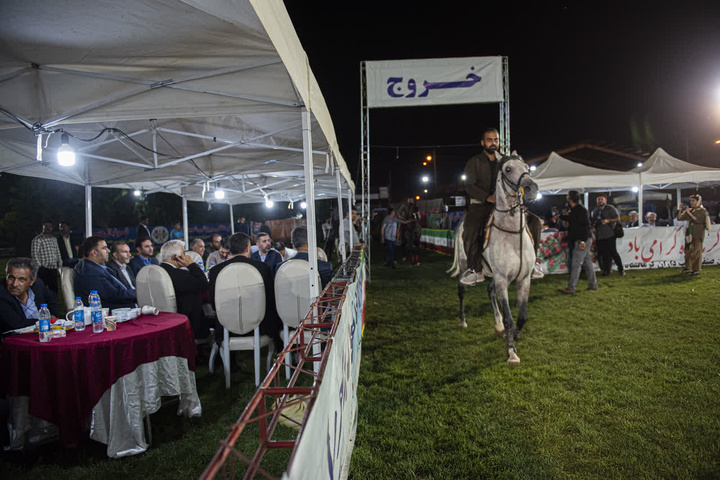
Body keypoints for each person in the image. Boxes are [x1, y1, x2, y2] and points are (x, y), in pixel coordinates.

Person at [460, 128, 543, 285]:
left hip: (508, 206)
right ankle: (475, 270)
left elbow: (516, 182)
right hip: (482, 205)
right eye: (490, 140)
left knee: (535, 223)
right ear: (483, 142)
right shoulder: (474, 161)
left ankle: (533, 264)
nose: (493, 143)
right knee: (469, 231)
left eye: (496, 140)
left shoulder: (507, 160)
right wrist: (487, 197)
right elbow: (469, 185)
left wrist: (520, 202)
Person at [208, 233, 282, 349]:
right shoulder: (262, 268)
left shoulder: (215, 271)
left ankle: (228, 362)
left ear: (230, 249)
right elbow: (270, 299)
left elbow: (213, 303)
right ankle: (281, 351)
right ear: (248, 247)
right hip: (260, 326)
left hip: (226, 328)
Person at [158, 240, 211, 339]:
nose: (186, 257)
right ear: (175, 257)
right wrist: (192, 265)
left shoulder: (159, 271)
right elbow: (204, 284)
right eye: (183, 254)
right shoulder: (181, 275)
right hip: (187, 325)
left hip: (162, 321)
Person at [74, 236, 137, 310]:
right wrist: (138, 293)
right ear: (94, 253)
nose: (108, 251)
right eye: (104, 248)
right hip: (113, 312)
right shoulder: (91, 272)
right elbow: (114, 295)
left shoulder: (97, 267)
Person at [1, 257, 59, 333]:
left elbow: (51, 297)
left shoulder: (38, 285)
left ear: (32, 281)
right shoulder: (2, 294)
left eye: (21, 279)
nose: (14, 284)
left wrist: (54, 316)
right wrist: (47, 321)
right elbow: (17, 325)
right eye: (11, 278)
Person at [557, 190, 598, 294]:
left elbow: (586, 226)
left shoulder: (580, 210)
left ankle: (571, 287)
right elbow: (572, 219)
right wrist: (560, 216)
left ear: (569, 199)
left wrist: (583, 241)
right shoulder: (577, 209)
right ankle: (593, 285)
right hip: (582, 239)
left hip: (581, 240)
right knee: (587, 264)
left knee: (576, 264)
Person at [591, 193, 625, 277]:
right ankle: (606, 270)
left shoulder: (610, 208)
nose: (600, 201)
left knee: (613, 252)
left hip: (610, 234)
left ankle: (621, 269)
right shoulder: (595, 211)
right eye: (598, 200)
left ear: (605, 200)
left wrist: (608, 220)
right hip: (599, 235)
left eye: (601, 199)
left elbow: (618, 218)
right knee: (602, 254)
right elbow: (592, 221)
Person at [678, 194, 709, 274]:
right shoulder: (691, 210)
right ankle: (688, 267)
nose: (691, 202)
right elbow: (680, 218)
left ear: (698, 201)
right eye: (691, 201)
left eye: (693, 201)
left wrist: (689, 213)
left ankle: (696, 269)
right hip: (689, 234)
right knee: (688, 251)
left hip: (697, 234)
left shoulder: (702, 211)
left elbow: (698, 220)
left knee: (696, 252)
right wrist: (680, 209)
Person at [31, 220, 62, 294]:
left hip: (53, 268)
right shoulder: (37, 239)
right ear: (43, 227)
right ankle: (43, 304)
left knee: (54, 290)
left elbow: (57, 252)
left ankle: (53, 304)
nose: (48, 228)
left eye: (50, 227)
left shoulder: (54, 239)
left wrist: (60, 263)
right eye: (46, 226)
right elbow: (35, 255)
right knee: (42, 290)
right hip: (43, 269)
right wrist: (40, 267)